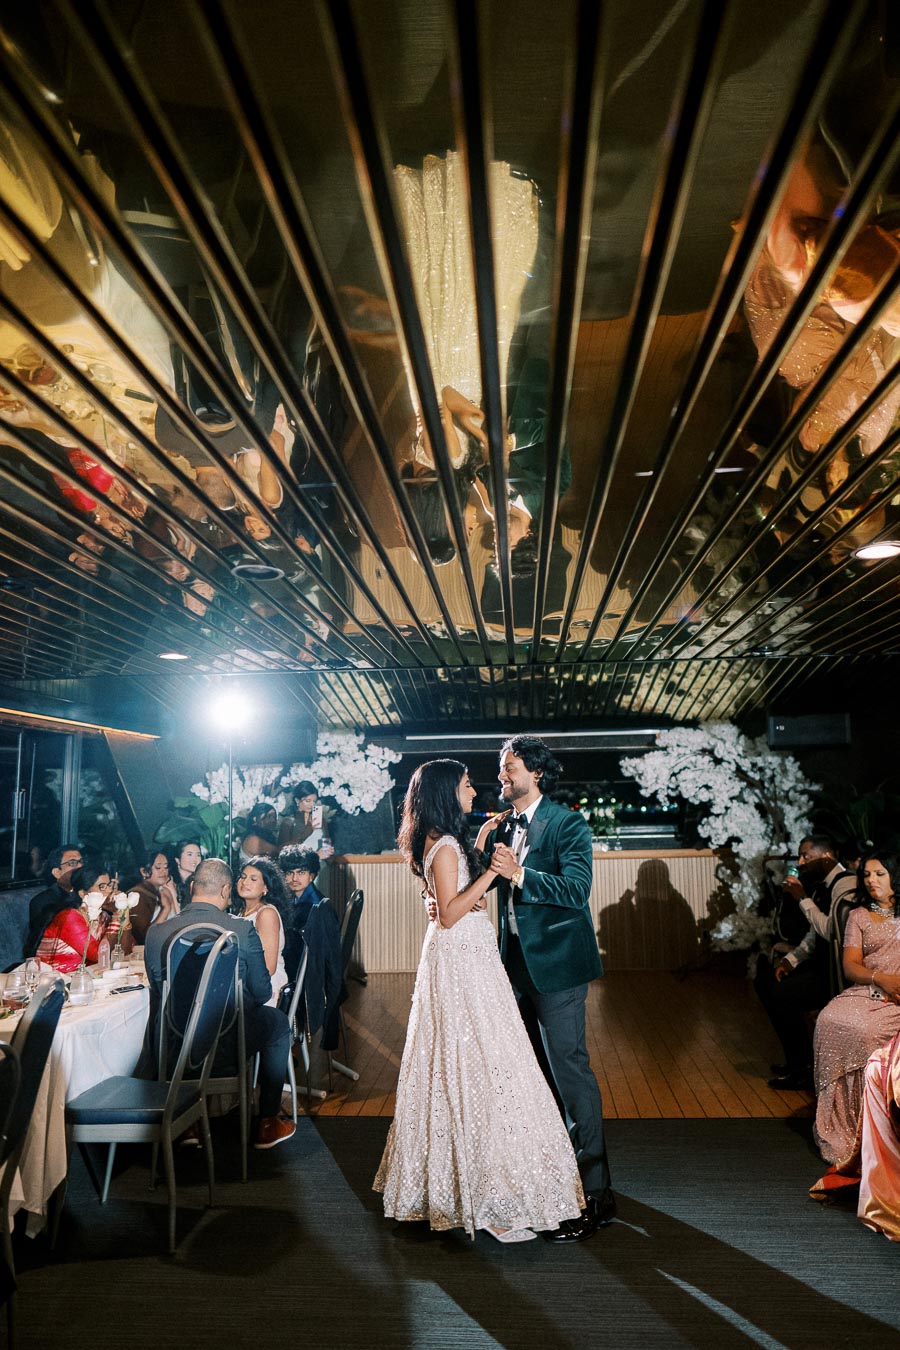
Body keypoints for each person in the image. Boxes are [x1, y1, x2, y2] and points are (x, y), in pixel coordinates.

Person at [374, 758, 583, 1242]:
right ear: (449, 791)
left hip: (463, 958)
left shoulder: (442, 839)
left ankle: (465, 1178)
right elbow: (448, 914)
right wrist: (490, 874)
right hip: (461, 958)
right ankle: (486, 1189)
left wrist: (473, 874)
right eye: (467, 784)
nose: (475, 789)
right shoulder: (445, 845)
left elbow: (447, 901)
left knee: (467, 1060)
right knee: (482, 1060)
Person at [486, 734, 614, 1241]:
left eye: (509, 767)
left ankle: (596, 1196)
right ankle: (547, 1186)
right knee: (530, 1081)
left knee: (570, 1075)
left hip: (557, 969)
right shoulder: (499, 826)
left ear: (536, 773)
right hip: (512, 967)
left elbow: (576, 890)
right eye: (501, 767)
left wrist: (520, 874)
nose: (501, 776)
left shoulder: (567, 823)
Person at [143, 857, 295, 1149]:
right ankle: (266, 1121)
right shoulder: (240, 929)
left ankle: (187, 1120)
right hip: (228, 1041)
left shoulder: (157, 932)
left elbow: (158, 990)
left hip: (174, 1045)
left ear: (191, 887)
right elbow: (262, 992)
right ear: (226, 890)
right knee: (276, 1023)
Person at [812, 850, 900, 1170]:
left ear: (895, 876)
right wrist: (881, 979)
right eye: (867, 875)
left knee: (865, 1031)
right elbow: (849, 967)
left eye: (880, 874)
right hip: (868, 990)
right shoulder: (859, 915)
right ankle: (844, 1126)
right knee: (829, 1019)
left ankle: (870, 1126)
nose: (872, 881)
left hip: (898, 999)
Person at [755, 834, 857, 1090]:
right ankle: (797, 1061)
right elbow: (814, 934)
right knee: (765, 980)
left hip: (838, 973)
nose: (800, 862)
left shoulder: (846, 885)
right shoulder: (823, 885)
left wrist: (802, 898)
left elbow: (831, 930)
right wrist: (791, 960)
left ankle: (802, 1067)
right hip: (820, 965)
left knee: (782, 995)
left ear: (826, 858)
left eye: (806, 856)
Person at [36, 862, 113, 972]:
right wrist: (118, 917)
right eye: (102, 887)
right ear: (82, 893)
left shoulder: (102, 916)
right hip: (54, 981)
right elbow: (98, 955)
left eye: (109, 885)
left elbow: (126, 948)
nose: (109, 891)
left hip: (84, 977)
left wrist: (123, 913)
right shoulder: (69, 917)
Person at [234, 856, 289, 1008]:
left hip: (266, 987)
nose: (244, 882)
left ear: (266, 887)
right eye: (242, 877)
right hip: (246, 982)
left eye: (253, 879)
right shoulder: (241, 912)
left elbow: (268, 968)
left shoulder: (266, 914)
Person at [23, 843, 83, 957]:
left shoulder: (87, 893)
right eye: (73, 863)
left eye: (81, 862)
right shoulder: (43, 901)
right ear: (57, 872)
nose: (80, 867)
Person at [278, 845, 325, 973]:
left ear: (312, 876)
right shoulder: (297, 897)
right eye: (289, 873)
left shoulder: (312, 905)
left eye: (301, 872)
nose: (294, 878)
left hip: (310, 973)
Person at [127, 848, 180, 943]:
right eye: (158, 867)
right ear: (144, 871)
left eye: (166, 867)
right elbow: (145, 937)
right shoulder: (136, 896)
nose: (164, 871)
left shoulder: (165, 891)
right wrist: (165, 909)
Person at [277, 782, 332, 855]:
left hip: (322, 865)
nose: (312, 804)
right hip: (301, 864)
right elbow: (281, 851)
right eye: (308, 801)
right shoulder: (288, 822)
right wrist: (307, 832)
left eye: (314, 801)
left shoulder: (320, 820)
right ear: (297, 800)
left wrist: (328, 852)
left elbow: (327, 847)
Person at [170, 839, 203, 906]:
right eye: (189, 854)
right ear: (178, 860)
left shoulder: (199, 883)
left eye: (198, 855)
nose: (194, 859)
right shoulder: (169, 882)